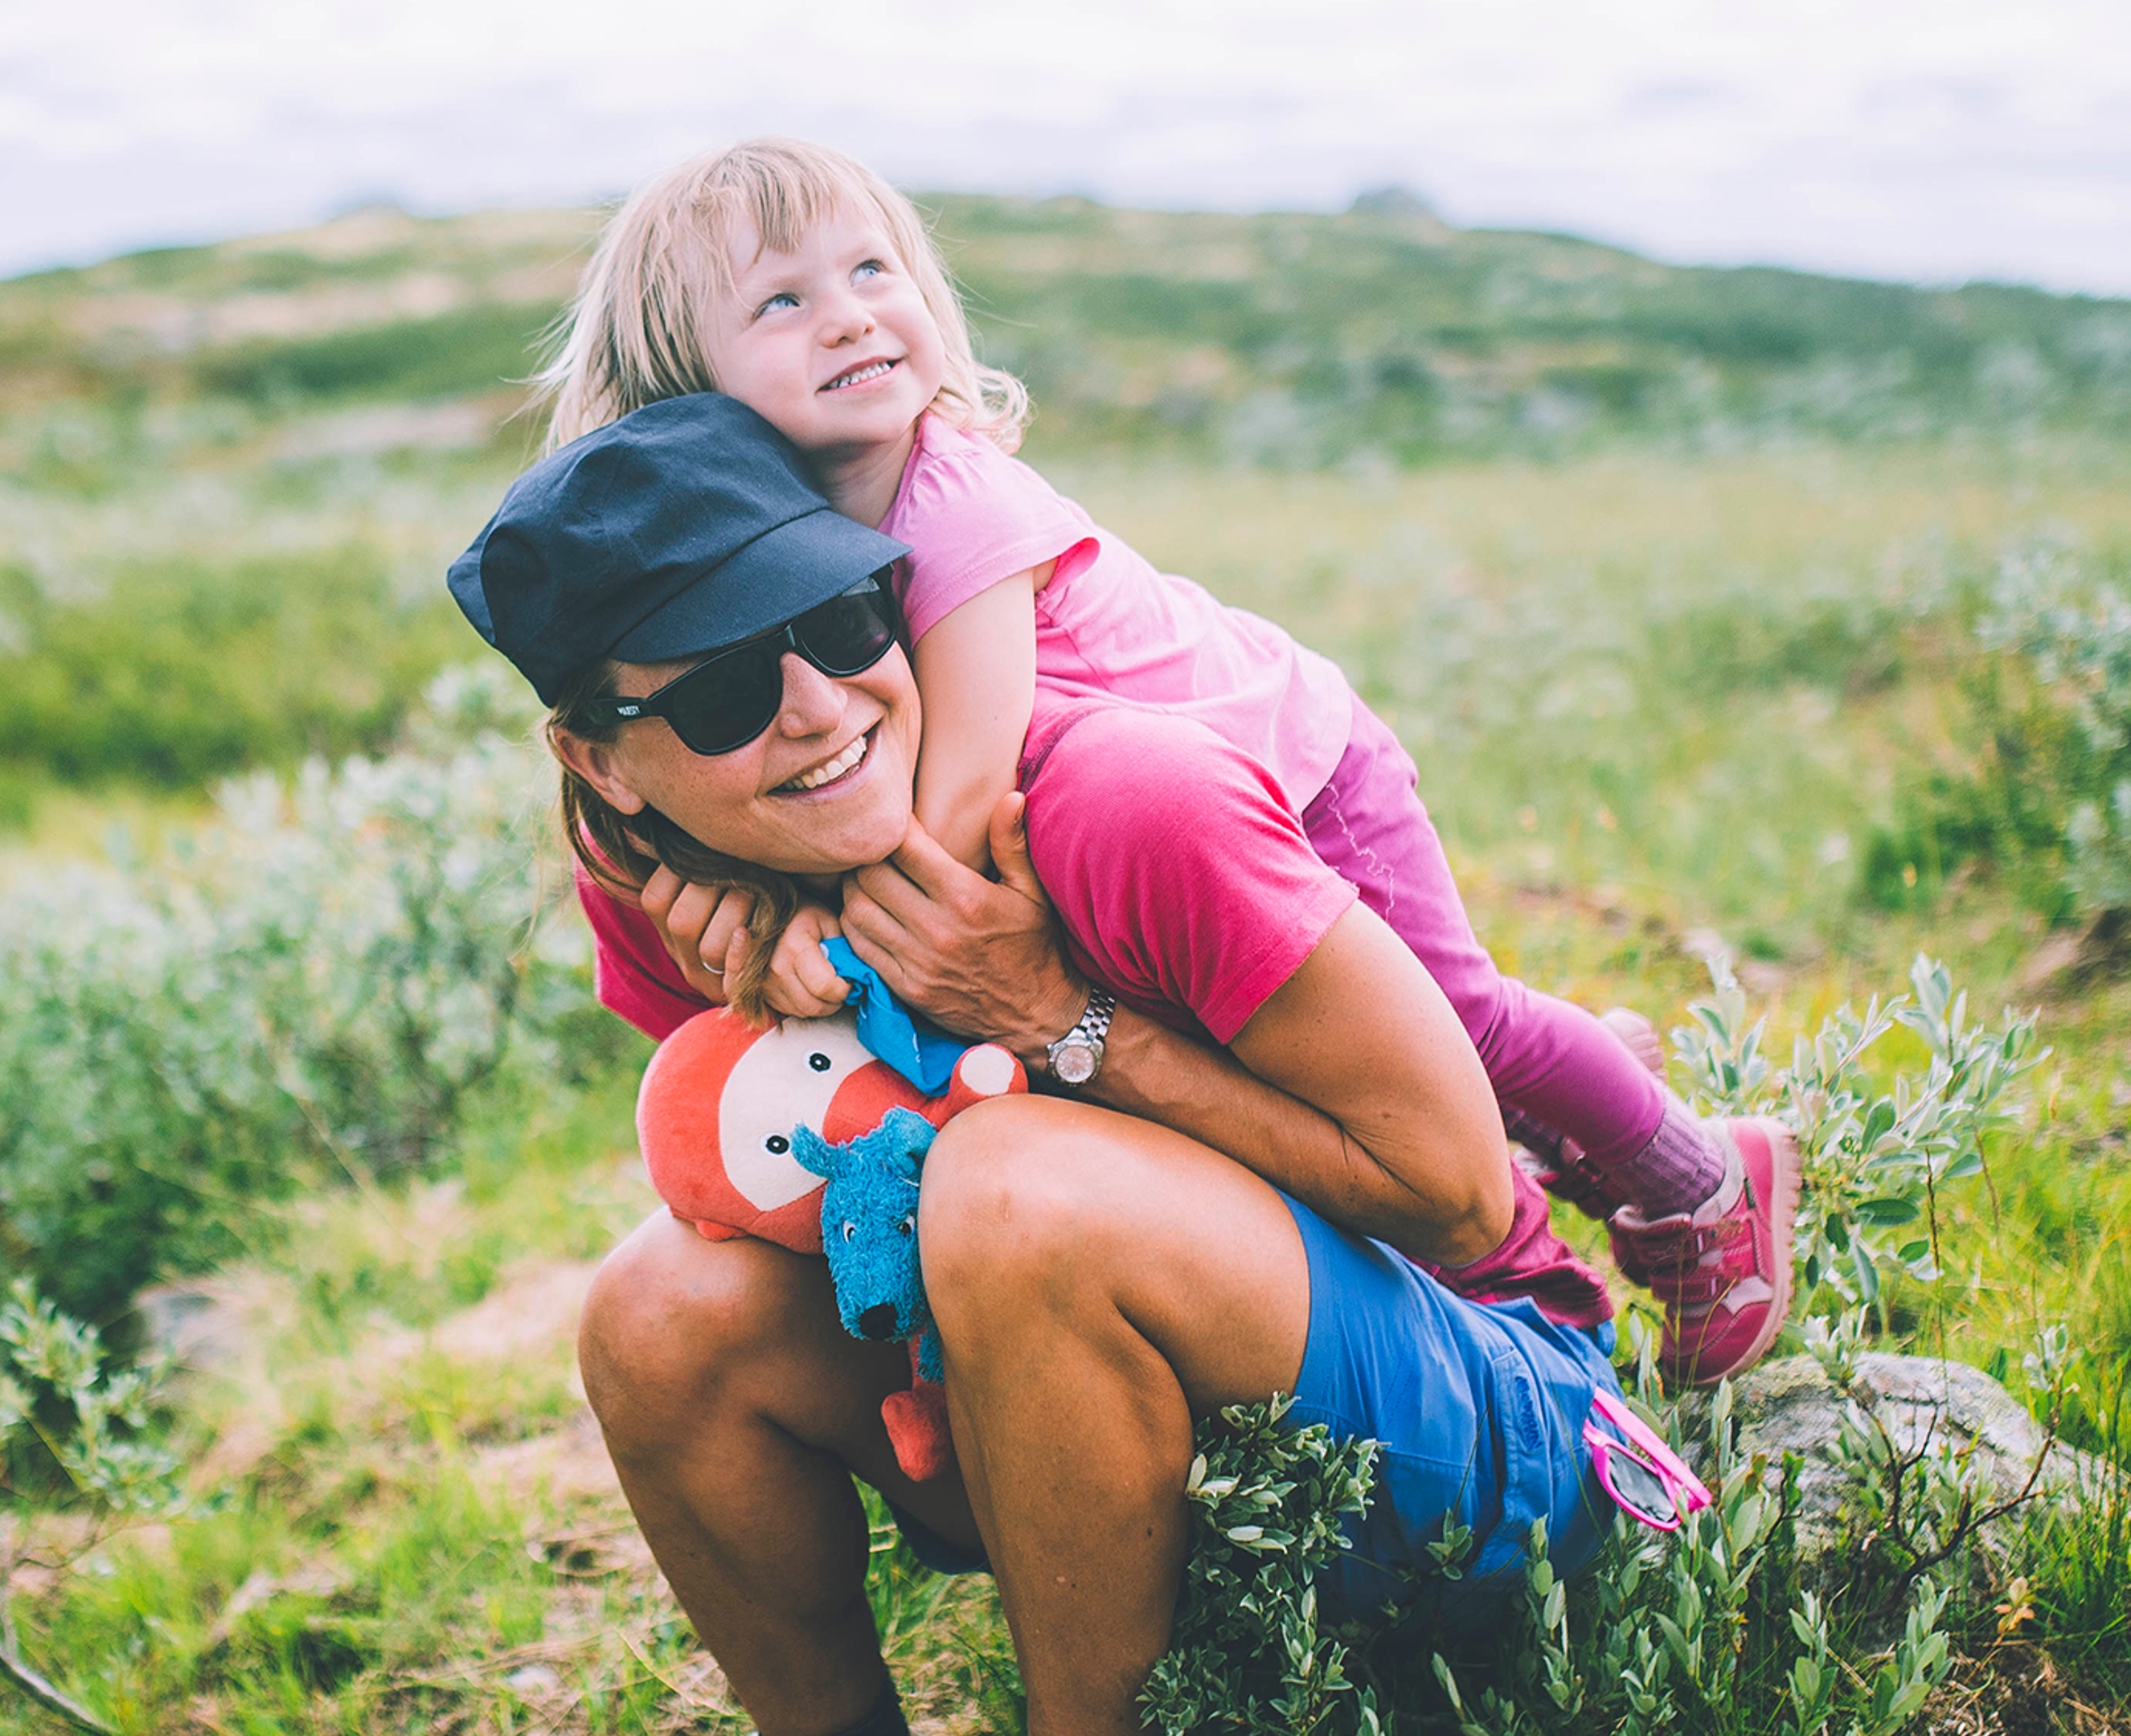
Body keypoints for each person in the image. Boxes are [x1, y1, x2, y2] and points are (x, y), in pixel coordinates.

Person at [448, 396, 1709, 1736]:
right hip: (1066, 1445)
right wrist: (766, 1015)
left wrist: (1063, 1022)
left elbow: (1457, 1194)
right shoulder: (678, 892)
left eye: (837, 620)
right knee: (655, 1310)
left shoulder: (1121, 803)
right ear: (604, 760)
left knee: (1010, 1190)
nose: (819, 709)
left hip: (1492, 1416)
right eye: (720, 693)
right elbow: (820, 1214)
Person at [531, 136, 1796, 1382]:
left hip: (1291, 769)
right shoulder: (778, 548)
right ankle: (1578, 1100)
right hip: (1154, 830)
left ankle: (1702, 1177)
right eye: (783, 301)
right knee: (1308, 1044)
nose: (851, 319)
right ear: (681, 390)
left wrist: (799, 929)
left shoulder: (950, 501)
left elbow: (955, 813)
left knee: (1461, 1031)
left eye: (875, 272)